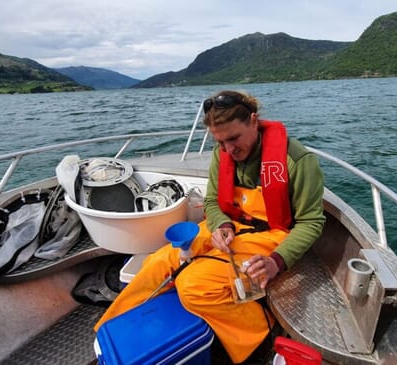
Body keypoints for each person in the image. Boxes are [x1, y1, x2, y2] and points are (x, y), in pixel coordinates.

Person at [94, 90, 325, 363]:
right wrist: (221, 224)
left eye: (234, 138)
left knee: (194, 285)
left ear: (253, 121)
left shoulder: (297, 161)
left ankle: (261, 335)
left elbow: (311, 222)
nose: (228, 150)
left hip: (271, 236)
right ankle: (106, 337)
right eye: (220, 142)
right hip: (229, 228)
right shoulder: (222, 154)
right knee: (158, 262)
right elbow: (213, 201)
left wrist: (277, 262)